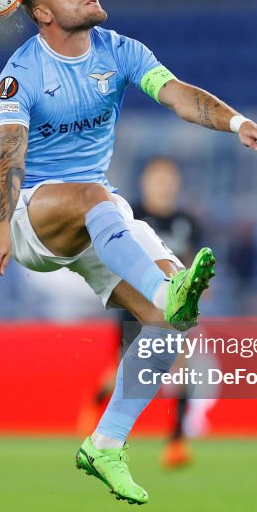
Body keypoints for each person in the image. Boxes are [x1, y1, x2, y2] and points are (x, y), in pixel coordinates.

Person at [0, 0, 257, 505]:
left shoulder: (120, 52)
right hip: (31, 216)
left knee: (171, 325)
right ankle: (167, 290)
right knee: (103, 202)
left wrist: (237, 122)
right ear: (42, 11)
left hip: (99, 217)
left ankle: (106, 443)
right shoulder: (21, 72)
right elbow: (9, 157)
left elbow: (180, 95)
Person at [77, 157, 203, 469]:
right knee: (124, 368)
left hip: (172, 304)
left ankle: (176, 442)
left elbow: (191, 263)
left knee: (182, 367)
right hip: (137, 300)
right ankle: (95, 406)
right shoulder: (131, 213)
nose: (163, 184)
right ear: (145, 183)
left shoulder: (188, 222)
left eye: (168, 178)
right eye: (157, 178)